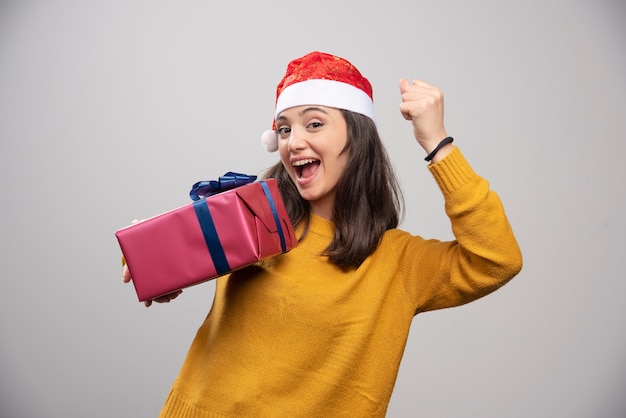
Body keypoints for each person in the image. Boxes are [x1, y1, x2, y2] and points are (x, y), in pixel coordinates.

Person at [122, 51, 522, 417]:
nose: (294, 142)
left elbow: (497, 258)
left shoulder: (399, 264)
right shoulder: (251, 215)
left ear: (357, 138)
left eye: (314, 124)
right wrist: (154, 260)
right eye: (283, 129)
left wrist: (437, 143)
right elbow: (167, 256)